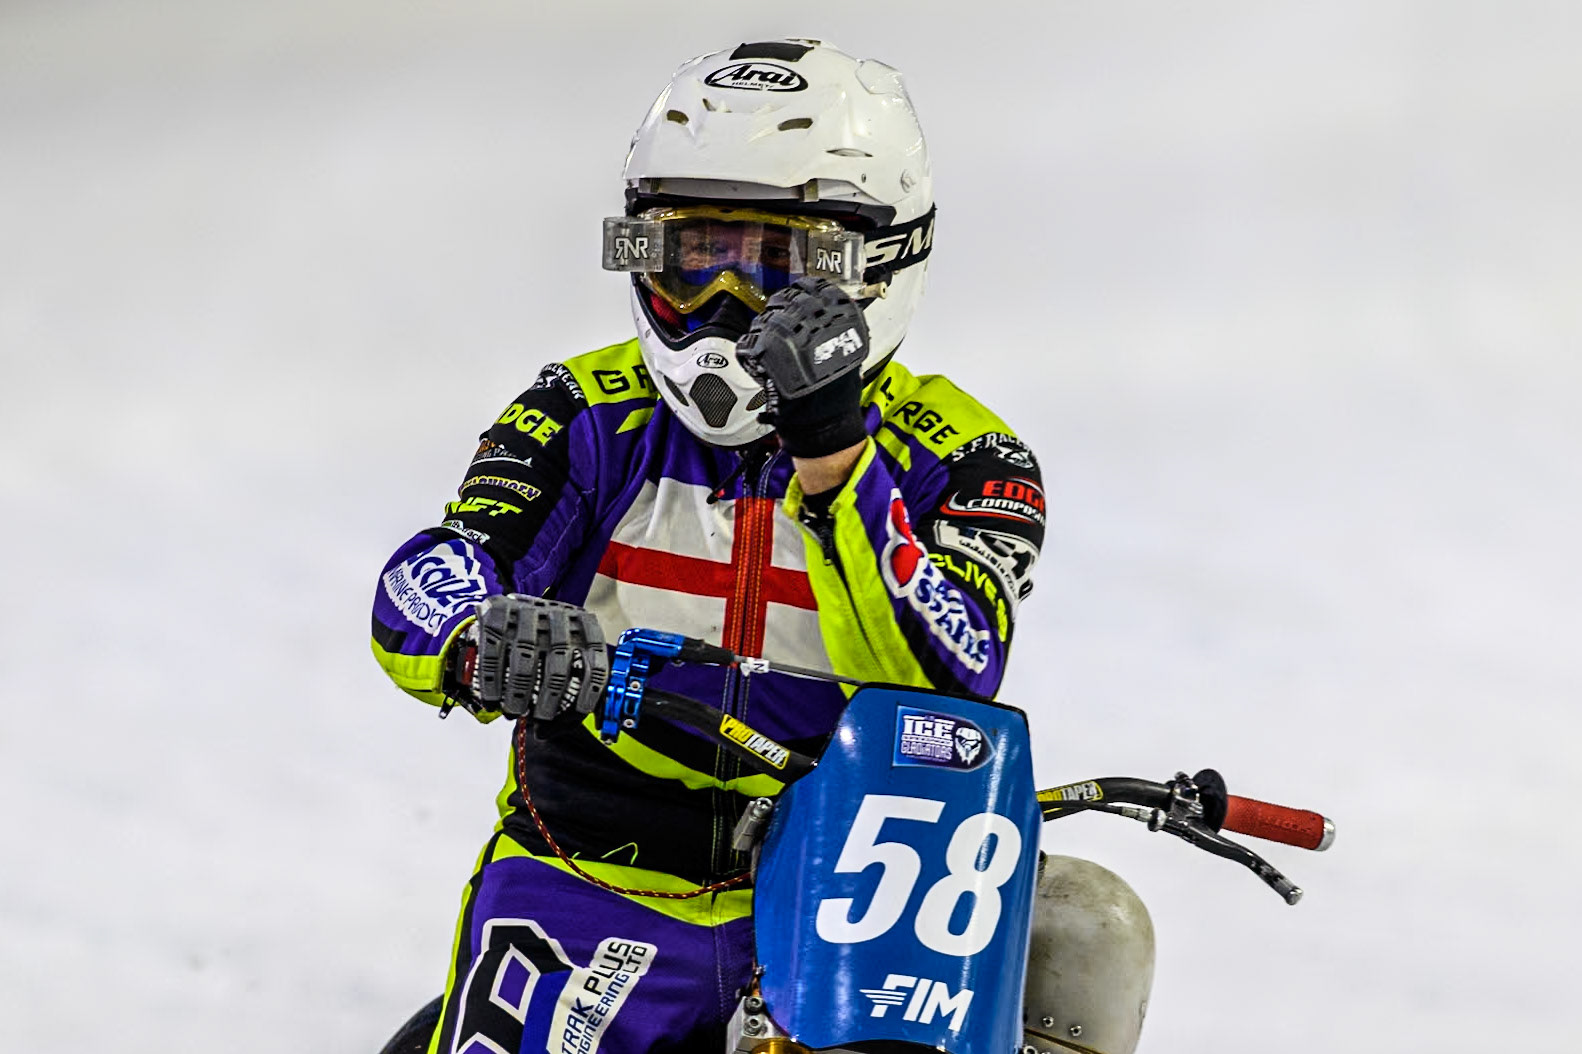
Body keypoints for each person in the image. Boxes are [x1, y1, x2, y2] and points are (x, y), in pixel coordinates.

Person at [371, 39, 1046, 1054]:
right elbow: (429, 575)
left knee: (1090, 936)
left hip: (850, 907)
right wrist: (478, 632)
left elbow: (949, 673)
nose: (728, 308)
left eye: (777, 269)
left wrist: (834, 460)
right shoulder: (583, 414)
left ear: (879, 259)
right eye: (694, 257)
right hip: (592, 874)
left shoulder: (969, 456)